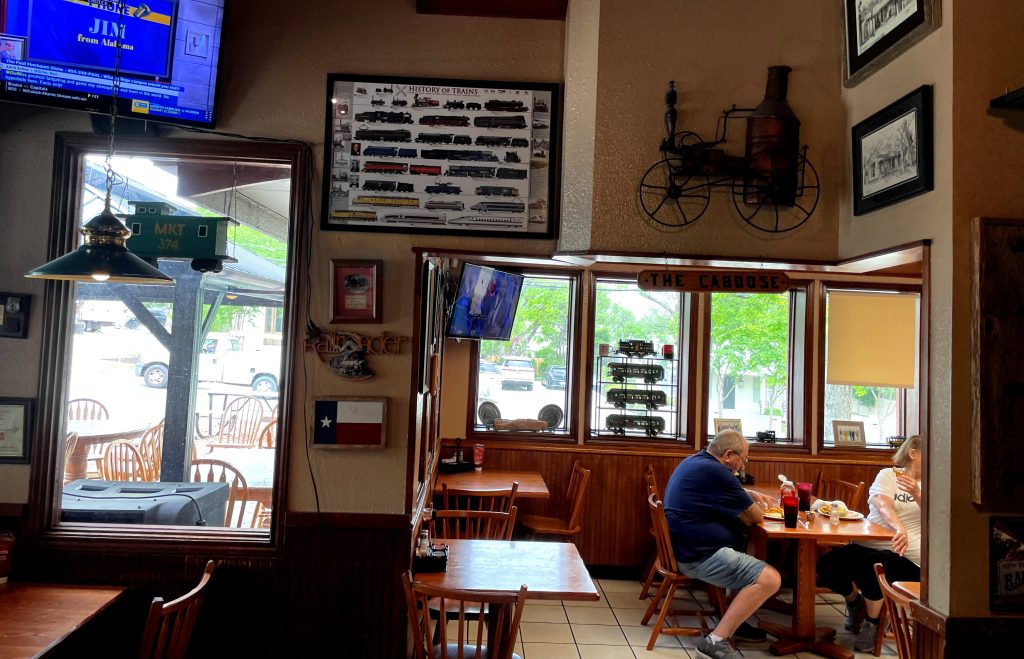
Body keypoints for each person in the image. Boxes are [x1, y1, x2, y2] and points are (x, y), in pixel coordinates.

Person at [663, 430, 781, 659]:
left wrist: (745, 492)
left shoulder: (697, 462)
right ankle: (715, 642)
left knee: (751, 548)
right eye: (743, 459)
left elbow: (719, 493)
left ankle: (735, 620)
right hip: (698, 556)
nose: (742, 466)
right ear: (728, 455)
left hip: (686, 547)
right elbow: (755, 517)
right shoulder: (717, 472)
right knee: (770, 579)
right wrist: (747, 498)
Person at [816, 434, 923, 652]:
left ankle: (873, 625)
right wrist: (898, 527)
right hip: (867, 545)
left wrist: (918, 494)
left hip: (907, 557)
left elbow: (940, 516)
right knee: (827, 565)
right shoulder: (888, 475)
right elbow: (883, 504)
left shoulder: (935, 483)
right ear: (913, 453)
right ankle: (855, 603)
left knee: (876, 567)